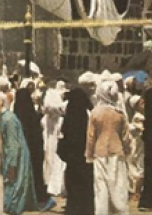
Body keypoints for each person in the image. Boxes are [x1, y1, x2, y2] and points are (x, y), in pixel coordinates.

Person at [86, 81, 130, 215]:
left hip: (99, 153)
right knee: (118, 186)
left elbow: (91, 136)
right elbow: (126, 137)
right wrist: (127, 151)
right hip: (117, 152)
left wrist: (88, 154)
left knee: (101, 187)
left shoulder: (95, 113)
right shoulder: (119, 113)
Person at [14, 88, 56, 211]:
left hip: (22, 150)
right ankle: (39, 197)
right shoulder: (33, 115)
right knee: (36, 174)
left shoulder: (16, 115)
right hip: (35, 150)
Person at [0, 90, 37, 215]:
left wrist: (12, 164)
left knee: (14, 182)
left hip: (16, 157)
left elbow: (13, 144)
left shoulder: (8, 120)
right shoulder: (5, 118)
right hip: (12, 155)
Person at [58, 87, 94, 215]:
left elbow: (63, 137)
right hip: (86, 158)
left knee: (73, 184)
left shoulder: (69, 116)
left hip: (72, 159)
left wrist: (66, 154)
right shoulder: (89, 115)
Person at [41, 87, 65, 198]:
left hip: (50, 142)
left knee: (52, 162)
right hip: (53, 141)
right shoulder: (60, 119)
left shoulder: (46, 118)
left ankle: (52, 184)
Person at [126, 95, 145, 201]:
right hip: (138, 145)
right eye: (141, 103)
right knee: (139, 167)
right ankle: (136, 192)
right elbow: (140, 129)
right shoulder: (138, 117)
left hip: (141, 144)